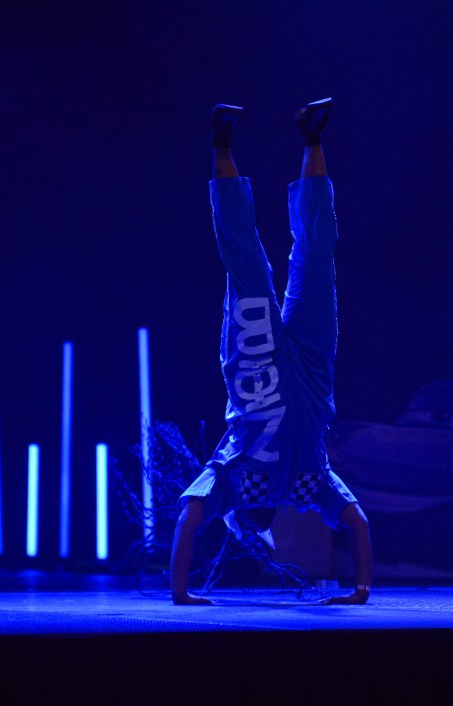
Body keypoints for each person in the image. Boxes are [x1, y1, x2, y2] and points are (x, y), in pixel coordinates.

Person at [170, 98, 373, 606]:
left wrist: (362, 591)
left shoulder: (266, 487)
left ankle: (294, 139)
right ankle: (264, 141)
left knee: (296, 256)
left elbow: (357, 523)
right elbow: (190, 518)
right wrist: (179, 593)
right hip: (287, 367)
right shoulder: (284, 486)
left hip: (282, 366)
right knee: (266, 259)